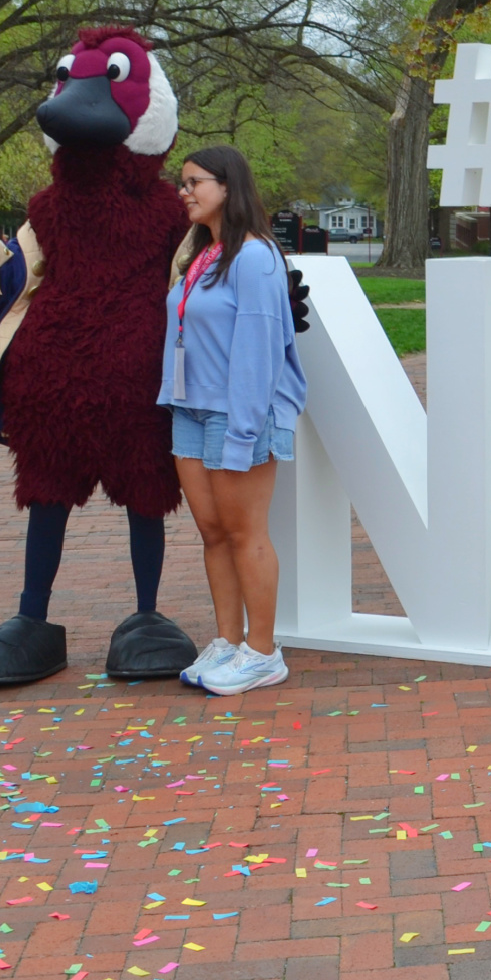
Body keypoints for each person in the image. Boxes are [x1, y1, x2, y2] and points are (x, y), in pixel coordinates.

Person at [164, 145, 308, 694]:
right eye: (184, 182)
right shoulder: (204, 253)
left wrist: (246, 430)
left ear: (228, 186)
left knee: (246, 531)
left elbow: (257, 352)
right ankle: (228, 642)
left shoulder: (255, 256)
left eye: (195, 182)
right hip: (191, 409)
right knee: (212, 532)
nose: (185, 191)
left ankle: (264, 652)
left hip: (238, 412)